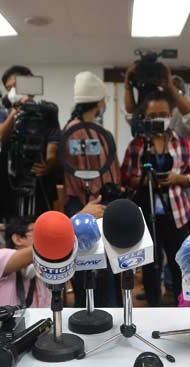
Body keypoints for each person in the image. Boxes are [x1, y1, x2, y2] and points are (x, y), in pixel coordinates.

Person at [121, 90, 190, 306]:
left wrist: (177, 178)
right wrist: (146, 180)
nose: (158, 119)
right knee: (149, 264)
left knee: (179, 262)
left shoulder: (181, 142)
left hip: (176, 212)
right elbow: (125, 176)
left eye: (163, 113)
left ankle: (182, 304)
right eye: (153, 115)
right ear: (144, 117)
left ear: (171, 114)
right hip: (146, 212)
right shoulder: (137, 144)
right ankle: (154, 305)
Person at [62, 71, 119, 308]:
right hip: (91, 206)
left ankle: (90, 312)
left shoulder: (70, 128)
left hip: (85, 204)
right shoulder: (83, 132)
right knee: (98, 268)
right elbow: (91, 171)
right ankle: (104, 314)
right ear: (98, 102)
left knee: (91, 268)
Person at [0, 65, 62, 218]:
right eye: (8, 88)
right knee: (15, 230)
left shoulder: (46, 114)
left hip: (40, 184)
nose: (12, 91)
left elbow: (53, 150)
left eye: (15, 86)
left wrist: (47, 166)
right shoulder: (2, 113)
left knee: (41, 228)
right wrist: (15, 111)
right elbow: (2, 137)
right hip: (11, 182)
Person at [62, 71, 120, 216]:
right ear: (99, 102)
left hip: (105, 198)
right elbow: (81, 167)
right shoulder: (75, 130)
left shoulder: (101, 132)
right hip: (84, 203)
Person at [124, 63, 190, 143]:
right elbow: (132, 115)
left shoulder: (182, 115)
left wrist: (170, 87)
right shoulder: (153, 111)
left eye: (175, 91)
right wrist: (128, 86)